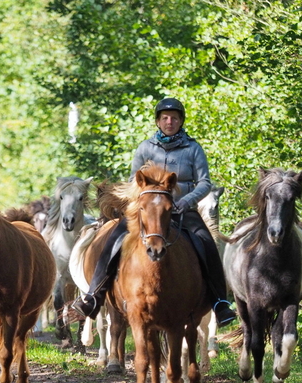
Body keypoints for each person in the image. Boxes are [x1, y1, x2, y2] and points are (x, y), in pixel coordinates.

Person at [71, 97, 236, 327]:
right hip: (148, 211)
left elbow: (205, 183)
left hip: (180, 209)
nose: (170, 122)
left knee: (206, 242)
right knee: (115, 239)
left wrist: (186, 201)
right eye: (165, 118)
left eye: (175, 118)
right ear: (158, 121)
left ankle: (220, 303)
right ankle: (94, 296)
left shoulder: (193, 148)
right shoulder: (145, 148)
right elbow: (133, 180)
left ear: (181, 121)